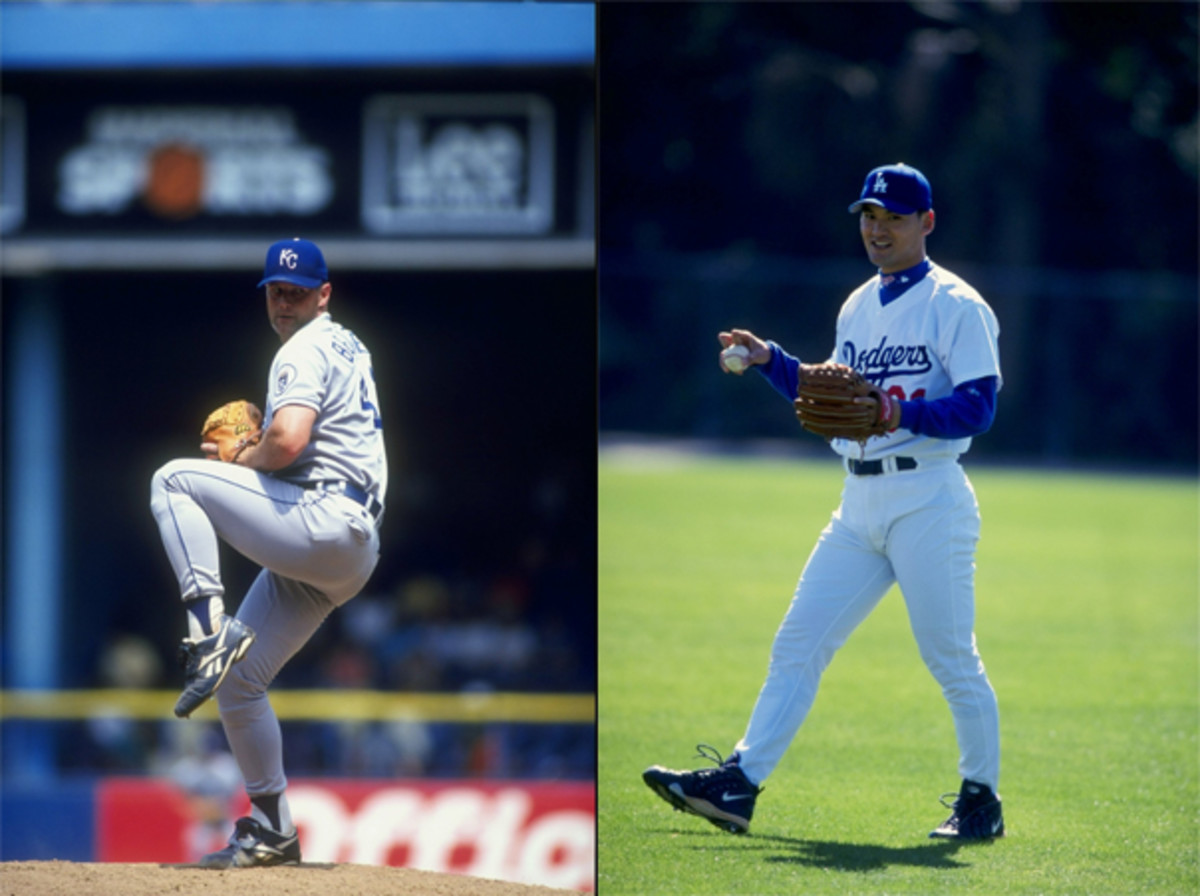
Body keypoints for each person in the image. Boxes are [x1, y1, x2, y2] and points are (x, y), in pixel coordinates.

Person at [642, 163, 1005, 841]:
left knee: (950, 657)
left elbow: (979, 407)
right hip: (858, 501)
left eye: (893, 217)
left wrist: (895, 408)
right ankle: (739, 784)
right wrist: (768, 360)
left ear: (926, 223)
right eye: (869, 216)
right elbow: (831, 396)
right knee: (798, 643)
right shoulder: (858, 303)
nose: (877, 229)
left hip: (928, 496)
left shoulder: (957, 304)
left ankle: (981, 801)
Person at [150, 237, 387, 867]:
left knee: (172, 480)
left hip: (324, 519)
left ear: (323, 294)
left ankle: (207, 630)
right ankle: (273, 825)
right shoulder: (347, 343)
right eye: (276, 292)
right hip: (346, 549)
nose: (284, 303)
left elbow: (285, 441)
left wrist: (243, 457)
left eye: (298, 292)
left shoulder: (303, 348)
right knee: (241, 686)